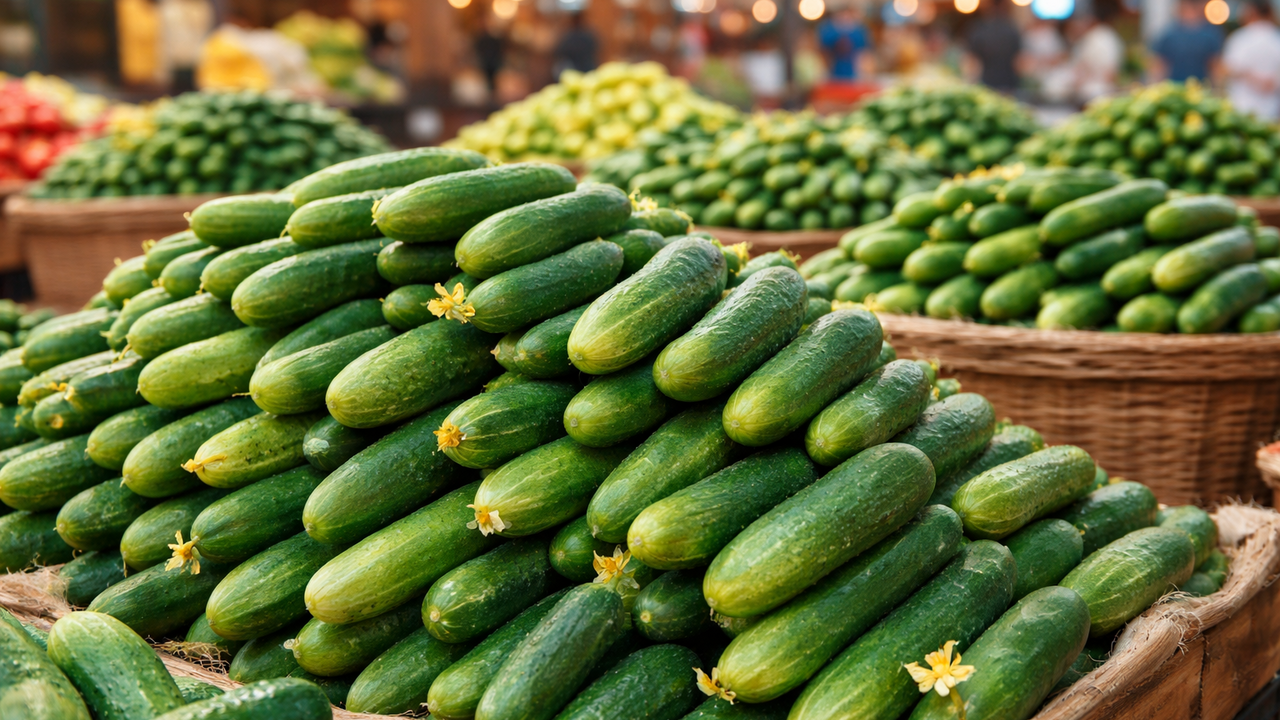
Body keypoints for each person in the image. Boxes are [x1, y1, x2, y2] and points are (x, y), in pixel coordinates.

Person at [1221, 0, 1280, 120]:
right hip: (1272, 109)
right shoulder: (1276, 38)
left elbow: (1226, 70)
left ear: (1250, 13)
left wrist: (1250, 77)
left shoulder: (1240, 38)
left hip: (1241, 107)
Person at [1151, 0, 1223, 82]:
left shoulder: (1209, 35)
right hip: (1175, 88)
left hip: (1200, 89)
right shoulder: (1169, 34)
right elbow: (1159, 66)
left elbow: (1215, 66)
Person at [1068, 5, 1124, 103]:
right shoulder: (1103, 36)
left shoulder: (1100, 37)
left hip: (1098, 94)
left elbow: (1110, 73)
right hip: (1098, 93)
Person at [965, 0, 1022, 92]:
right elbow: (1018, 62)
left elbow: (972, 62)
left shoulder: (979, 29)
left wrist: (971, 81)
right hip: (1009, 84)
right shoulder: (1012, 29)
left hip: (986, 84)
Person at [818, 7, 871, 82]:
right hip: (832, 74)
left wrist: (864, 72)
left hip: (854, 74)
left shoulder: (859, 32)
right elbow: (824, 53)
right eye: (842, 15)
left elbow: (864, 54)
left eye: (847, 16)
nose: (844, 18)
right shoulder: (828, 31)